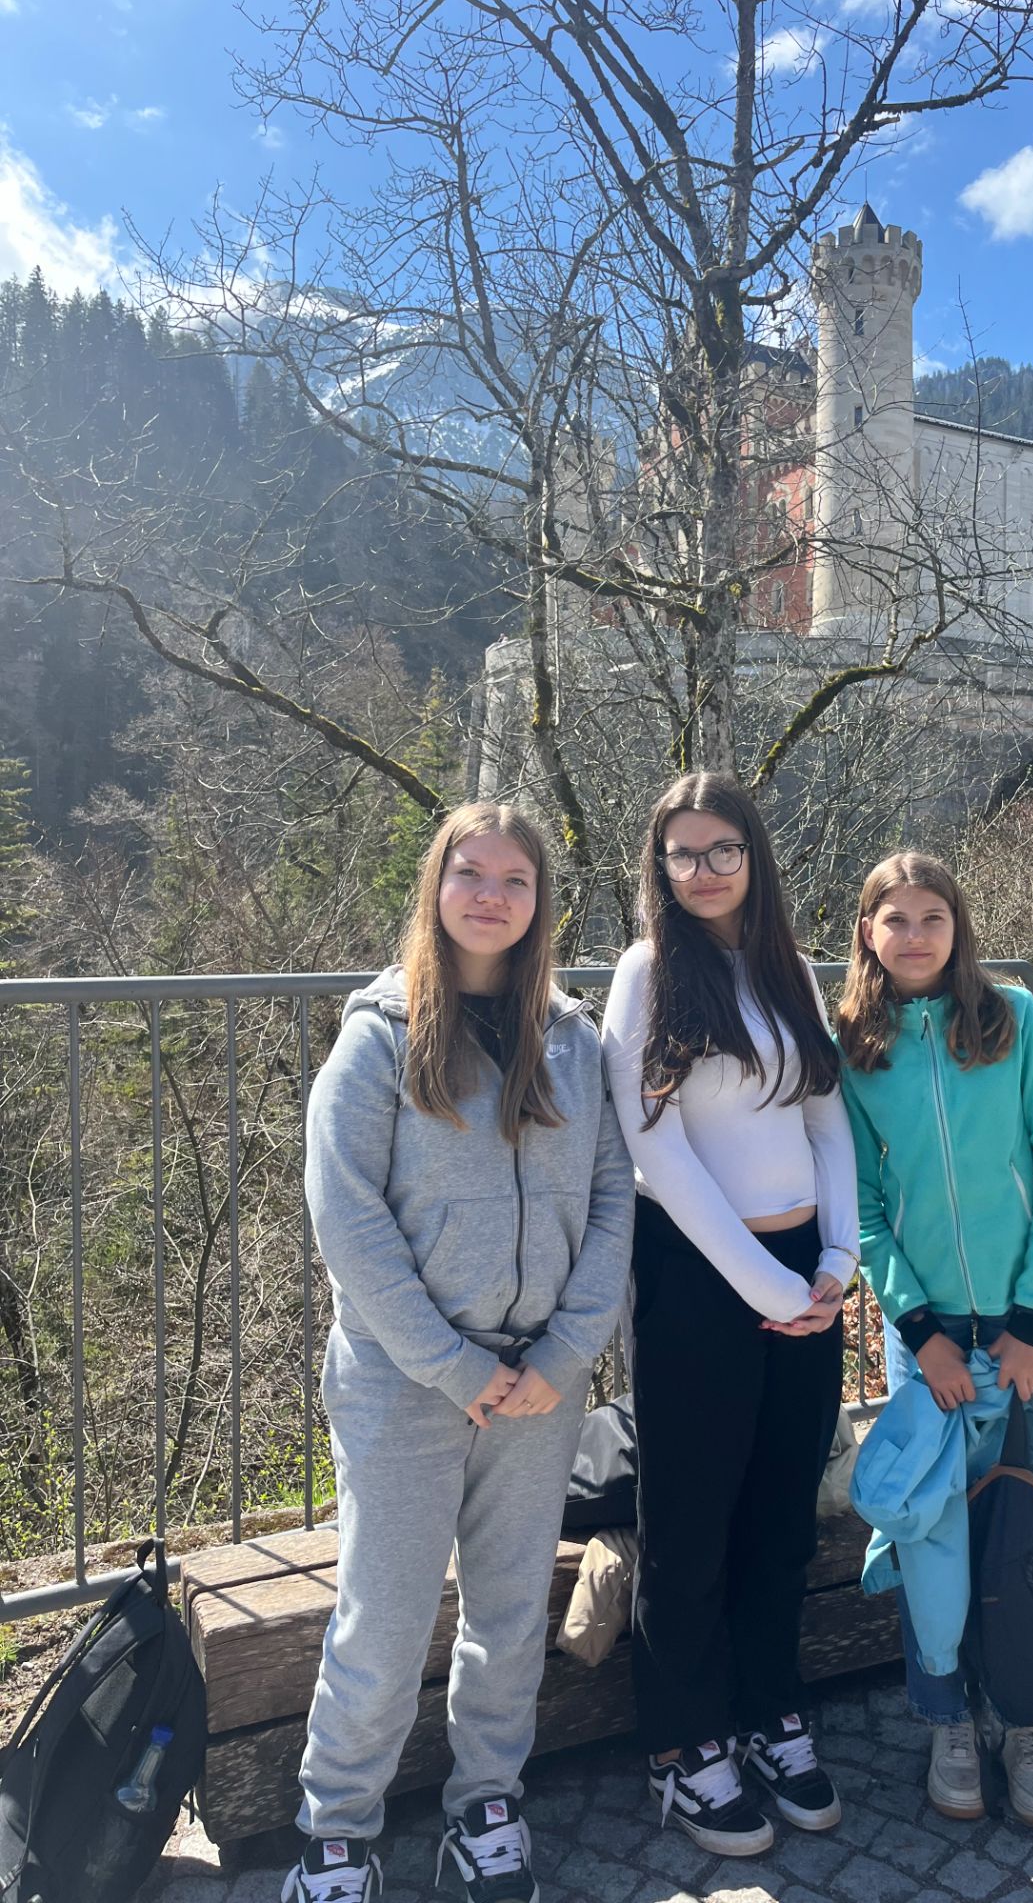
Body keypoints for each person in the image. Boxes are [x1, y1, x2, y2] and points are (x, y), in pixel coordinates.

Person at [283, 804, 634, 1903]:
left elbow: (614, 1200)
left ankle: (487, 1804)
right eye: (470, 873)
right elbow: (346, 1219)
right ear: (436, 888)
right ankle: (337, 1834)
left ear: (540, 901)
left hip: (541, 1383)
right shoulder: (379, 1038)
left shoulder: (573, 1042)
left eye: (515, 879)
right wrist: (455, 1365)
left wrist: (567, 1351)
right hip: (405, 1380)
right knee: (384, 1620)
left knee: (509, 1614)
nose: (491, 895)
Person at [600, 773, 860, 1857]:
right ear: (659, 867)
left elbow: (828, 1122)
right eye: (682, 853)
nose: (702, 871)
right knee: (691, 1521)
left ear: (755, 856)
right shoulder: (646, 973)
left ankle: (768, 1711)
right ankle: (686, 1743)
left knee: (780, 1515)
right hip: (701, 1279)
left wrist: (836, 1262)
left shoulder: (787, 967)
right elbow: (655, 1150)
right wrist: (772, 1289)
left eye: (722, 850)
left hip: (805, 1276)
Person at [835, 851, 1033, 1830]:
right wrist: (918, 1332)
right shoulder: (855, 1045)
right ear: (867, 932)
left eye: (932, 916)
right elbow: (863, 1208)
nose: (915, 935)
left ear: (958, 924)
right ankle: (947, 1720)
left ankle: (1025, 1719)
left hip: (1023, 1336)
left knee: (1022, 1515)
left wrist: (1030, 1325)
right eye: (894, 919)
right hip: (927, 1342)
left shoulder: (1012, 1019)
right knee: (930, 1529)